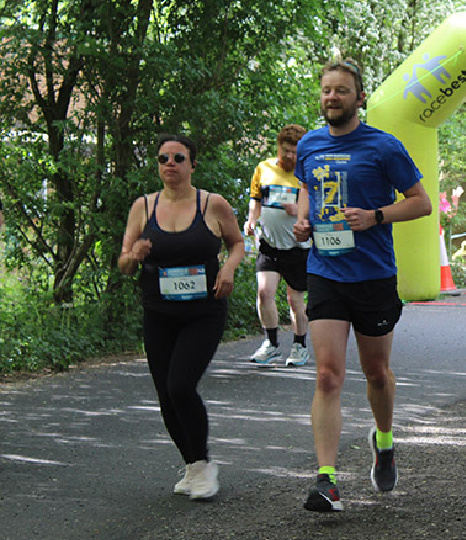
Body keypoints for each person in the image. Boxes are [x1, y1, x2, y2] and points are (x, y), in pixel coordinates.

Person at [292, 58, 431, 513]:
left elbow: (421, 203)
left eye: (341, 91)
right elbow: (308, 187)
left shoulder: (383, 146)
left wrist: (376, 216)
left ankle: (384, 441)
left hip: (372, 274)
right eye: (326, 90)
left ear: (360, 98)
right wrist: (302, 217)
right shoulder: (309, 145)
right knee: (328, 375)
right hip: (325, 270)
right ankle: (327, 480)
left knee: (376, 373)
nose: (332, 97)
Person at [118, 134, 245, 500]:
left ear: (192, 164)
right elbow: (124, 264)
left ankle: (204, 465)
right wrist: (135, 255)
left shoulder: (212, 204)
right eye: (163, 158)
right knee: (165, 394)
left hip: (203, 311)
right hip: (159, 312)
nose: (169, 164)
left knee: (180, 386)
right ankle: (192, 465)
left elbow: (237, 243)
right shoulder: (143, 206)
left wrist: (229, 270)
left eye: (178, 157)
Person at [244, 124, 311, 366]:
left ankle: (299, 345)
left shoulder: (307, 173)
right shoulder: (264, 168)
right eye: (286, 151)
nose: (290, 156)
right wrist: (251, 220)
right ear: (278, 148)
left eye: (295, 152)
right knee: (264, 292)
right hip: (269, 244)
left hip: (297, 246)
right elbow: (256, 200)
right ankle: (271, 343)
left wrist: (300, 210)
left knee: (295, 300)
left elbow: (322, 208)